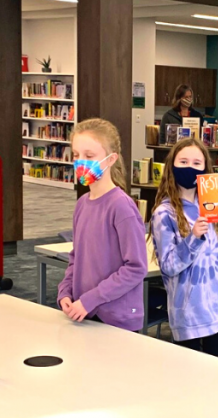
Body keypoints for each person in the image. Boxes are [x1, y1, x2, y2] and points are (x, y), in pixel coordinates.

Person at [58, 119, 149, 330]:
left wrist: (91, 299)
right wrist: (66, 290)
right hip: (84, 312)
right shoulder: (82, 204)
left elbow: (135, 268)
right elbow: (76, 257)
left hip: (116, 318)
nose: (81, 162)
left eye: (89, 156)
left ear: (111, 159)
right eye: (76, 155)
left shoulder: (122, 207)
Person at [150, 138, 218, 357]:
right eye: (183, 161)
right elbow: (169, 266)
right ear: (172, 166)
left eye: (197, 163)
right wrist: (194, 238)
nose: (190, 167)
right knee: (192, 379)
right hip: (189, 315)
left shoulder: (212, 204)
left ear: (205, 168)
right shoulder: (164, 214)